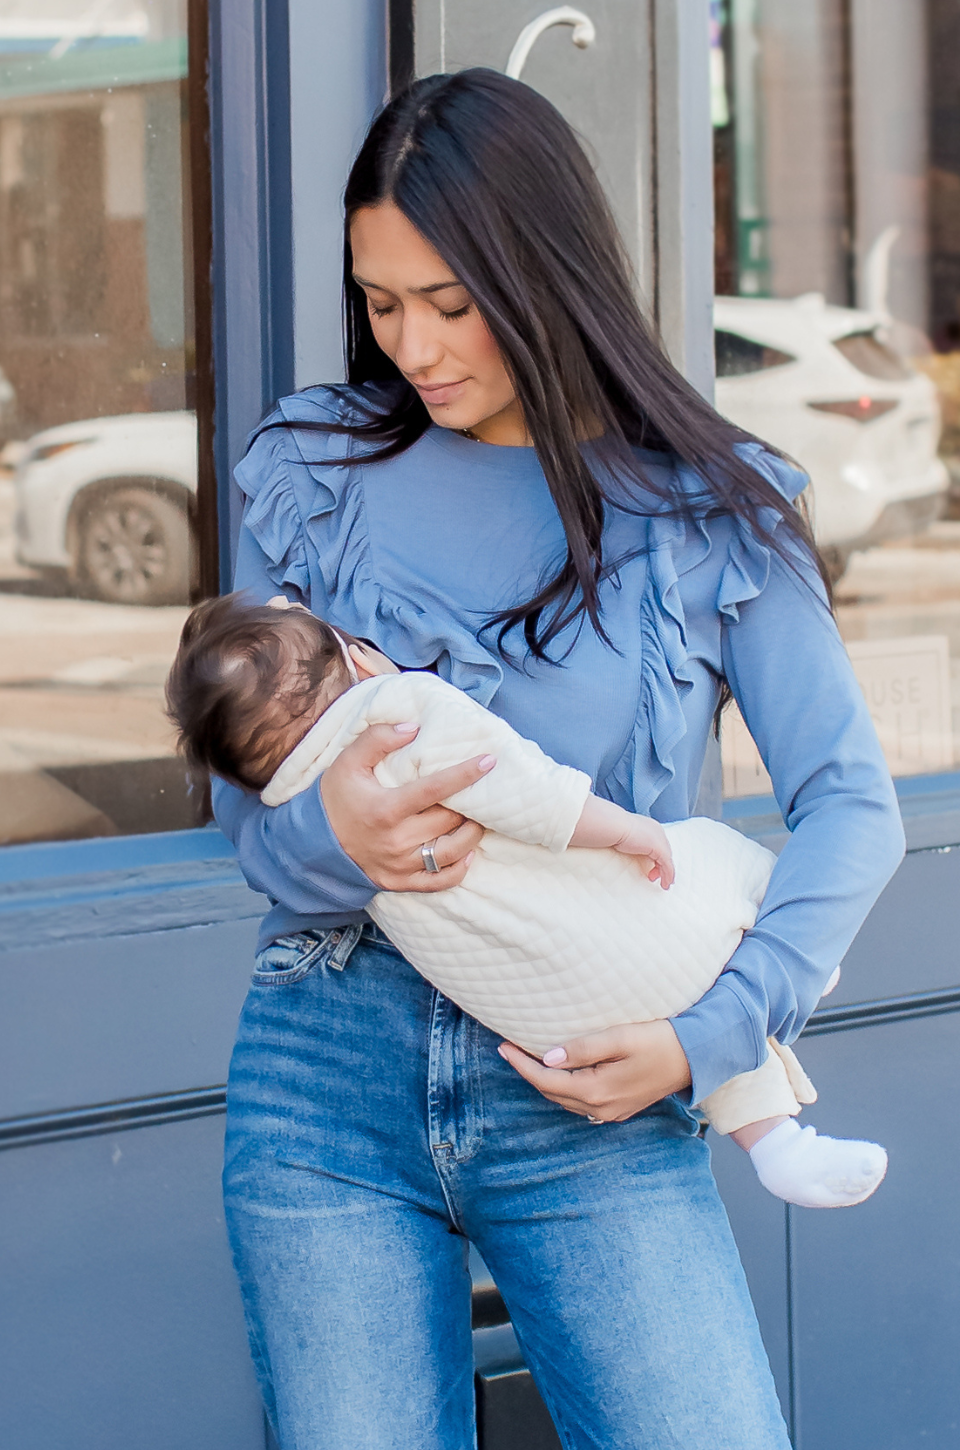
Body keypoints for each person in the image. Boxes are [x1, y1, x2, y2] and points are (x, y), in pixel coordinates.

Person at [213, 69, 905, 1450]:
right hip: (327, 1067)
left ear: (545, 274)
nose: (412, 342)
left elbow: (850, 805)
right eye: (380, 300)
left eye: (451, 303)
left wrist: (710, 1036)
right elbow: (249, 817)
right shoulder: (315, 472)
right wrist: (337, 839)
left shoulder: (714, 504)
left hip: (601, 1077)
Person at [169, 590, 888, 1210]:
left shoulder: (287, 782)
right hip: (614, 936)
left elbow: (848, 804)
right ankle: (781, 1093)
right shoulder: (404, 707)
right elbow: (528, 791)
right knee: (713, 861)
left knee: (674, 1013)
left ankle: (778, 1135)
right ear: (354, 656)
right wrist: (627, 830)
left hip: (541, 1021)